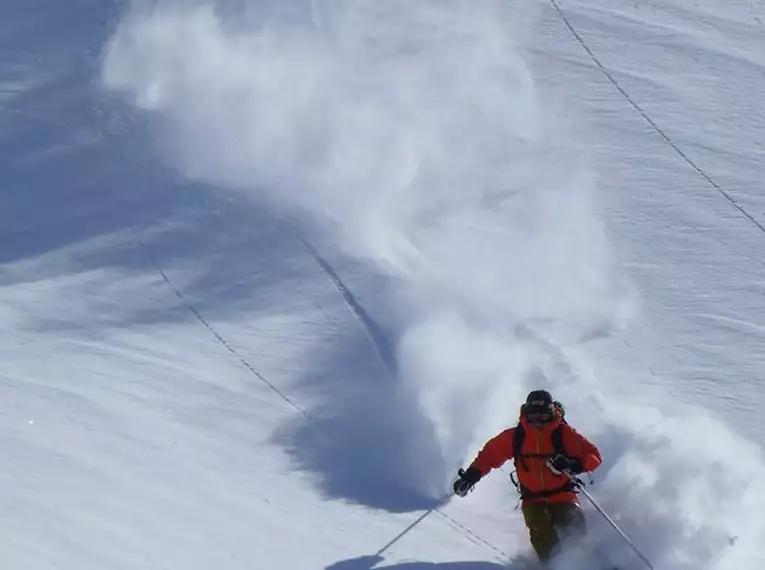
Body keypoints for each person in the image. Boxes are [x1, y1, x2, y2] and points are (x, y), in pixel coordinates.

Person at [452, 389, 602, 563]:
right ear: (526, 414)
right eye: (533, 417)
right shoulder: (516, 437)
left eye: (543, 417)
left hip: (563, 494)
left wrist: (572, 464)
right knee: (542, 534)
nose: (537, 422)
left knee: (575, 528)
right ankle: (556, 565)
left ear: (551, 413)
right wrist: (471, 477)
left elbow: (594, 455)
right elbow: (489, 456)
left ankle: (593, 563)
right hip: (533, 499)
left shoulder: (563, 434)